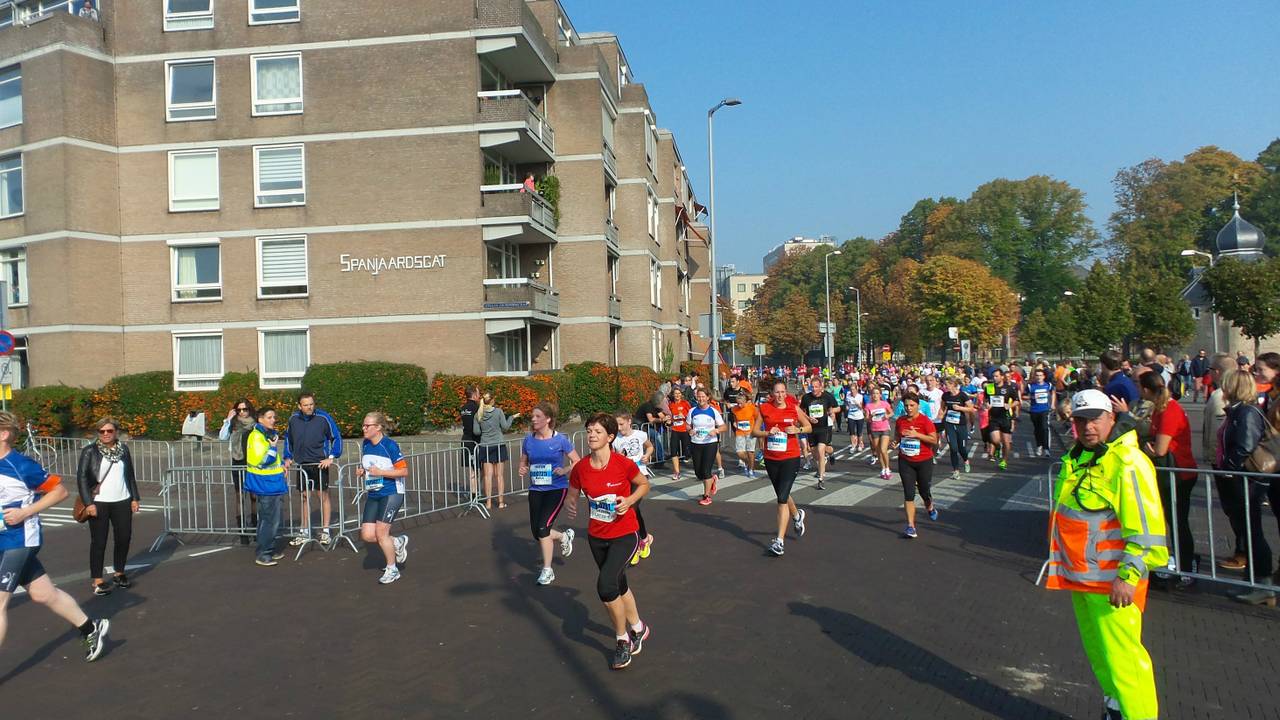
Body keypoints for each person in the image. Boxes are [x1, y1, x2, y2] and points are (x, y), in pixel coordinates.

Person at [1046, 389, 1168, 720]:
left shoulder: (1127, 463)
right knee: (1102, 656)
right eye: (1080, 420)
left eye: (1095, 419)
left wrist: (1128, 576)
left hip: (1113, 584)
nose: (1087, 427)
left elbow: (1146, 529)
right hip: (1083, 579)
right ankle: (1116, 708)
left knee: (1125, 663)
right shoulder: (1081, 457)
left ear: (1111, 418)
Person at [0, 412, 110, 662]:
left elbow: (59, 492)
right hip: (3, 540)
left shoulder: (21, 465)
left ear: (4, 434)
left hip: (20, 540)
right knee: (43, 594)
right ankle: (91, 628)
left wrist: (25, 512)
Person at [566, 413, 651, 670]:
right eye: (589, 431)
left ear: (610, 437)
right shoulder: (581, 467)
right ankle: (639, 628)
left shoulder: (622, 464)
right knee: (619, 584)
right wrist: (571, 503)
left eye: (598, 432)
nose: (591, 435)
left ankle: (622, 639)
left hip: (625, 534)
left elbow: (643, 484)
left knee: (605, 586)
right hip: (597, 536)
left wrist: (630, 501)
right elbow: (573, 492)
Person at [1219, 369, 1279, 605]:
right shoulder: (1239, 410)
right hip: (1243, 477)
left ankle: (1263, 584)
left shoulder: (1246, 412)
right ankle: (1254, 581)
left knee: (1253, 530)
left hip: (1249, 478)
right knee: (1248, 529)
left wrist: (1229, 468)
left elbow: (1245, 445)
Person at [1138, 371, 1197, 587]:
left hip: (1179, 472)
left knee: (1178, 522)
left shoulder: (1170, 410)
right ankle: (1179, 564)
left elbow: (1160, 449)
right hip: (1171, 472)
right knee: (1172, 521)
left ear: (1146, 390)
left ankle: (1187, 568)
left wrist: (1148, 448)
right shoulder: (1160, 408)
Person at [77, 418, 141, 596]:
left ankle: (119, 572)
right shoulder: (90, 451)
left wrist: (135, 498)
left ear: (116, 432)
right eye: (102, 431)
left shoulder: (123, 450)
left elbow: (130, 475)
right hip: (99, 502)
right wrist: (89, 503)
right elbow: (82, 478)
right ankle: (97, 579)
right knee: (99, 541)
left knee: (124, 537)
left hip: (122, 500)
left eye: (109, 431)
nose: (105, 434)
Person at [518, 402, 579, 586]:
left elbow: (577, 461)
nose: (533, 419)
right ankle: (563, 536)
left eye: (538, 416)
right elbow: (523, 462)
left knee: (543, 528)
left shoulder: (560, 440)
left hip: (556, 489)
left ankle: (547, 570)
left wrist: (565, 469)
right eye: (533, 416)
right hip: (536, 490)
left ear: (548, 419)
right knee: (537, 532)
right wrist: (522, 468)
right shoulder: (528, 440)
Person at [752, 380, 813, 556]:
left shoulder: (793, 408)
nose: (780, 395)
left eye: (783, 392)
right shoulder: (765, 408)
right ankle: (797, 516)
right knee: (782, 493)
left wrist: (797, 430)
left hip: (790, 458)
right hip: (771, 458)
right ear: (772, 393)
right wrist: (767, 432)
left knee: (781, 499)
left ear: (786, 393)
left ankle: (779, 542)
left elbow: (809, 427)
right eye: (777, 392)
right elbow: (754, 431)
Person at [1201, 354, 1247, 571]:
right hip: (1222, 461)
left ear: (1217, 371)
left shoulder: (1221, 396)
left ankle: (1243, 552)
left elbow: (1219, 433)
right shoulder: (1220, 394)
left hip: (1224, 462)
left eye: (1211, 370)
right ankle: (1242, 550)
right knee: (1234, 509)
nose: (1209, 373)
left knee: (1236, 509)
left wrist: (1215, 459)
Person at [356, 412, 410, 585]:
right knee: (367, 535)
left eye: (367, 426)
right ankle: (397, 542)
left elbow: (404, 471)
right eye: (363, 425)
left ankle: (392, 569)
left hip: (391, 493)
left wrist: (381, 472)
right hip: (374, 493)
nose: (364, 428)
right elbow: (370, 466)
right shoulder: (365, 444)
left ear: (378, 427)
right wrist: (362, 471)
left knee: (381, 533)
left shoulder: (389, 445)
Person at [283, 393, 343, 547]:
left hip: (319, 463)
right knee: (304, 497)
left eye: (311, 404)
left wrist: (331, 457)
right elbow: (289, 439)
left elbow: (336, 437)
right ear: (299, 406)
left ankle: (326, 531)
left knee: (322, 496)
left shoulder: (323, 417)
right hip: (302, 464)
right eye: (306, 405)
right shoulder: (293, 419)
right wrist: (288, 457)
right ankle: (304, 531)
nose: (309, 407)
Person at [245, 409, 288, 567]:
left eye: (274, 417)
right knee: (268, 520)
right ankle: (264, 553)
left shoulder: (266, 435)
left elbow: (273, 460)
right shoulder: (257, 436)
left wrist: (281, 465)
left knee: (271, 519)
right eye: (269, 417)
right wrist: (273, 448)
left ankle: (269, 549)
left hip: (272, 482)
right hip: (265, 484)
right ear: (260, 419)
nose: (273, 420)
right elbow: (262, 460)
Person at [612, 412, 655, 565]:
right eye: (616, 425)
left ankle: (638, 544)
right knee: (631, 510)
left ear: (629, 421)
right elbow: (614, 457)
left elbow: (650, 446)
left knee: (631, 508)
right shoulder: (615, 439)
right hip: (624, 477)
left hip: (640, 475)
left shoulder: (640, 435)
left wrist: (647, 455)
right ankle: (643, 537)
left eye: (621, 424)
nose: (619, 428)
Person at [894, 394, 939, 539]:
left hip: (924, 461)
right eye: (906, 405)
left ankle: (930, 507)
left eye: (912, 405)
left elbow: (934, 440)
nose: (909, 408)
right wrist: (895, 442)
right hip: (905, 461)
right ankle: (911, 526)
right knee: (909, 493)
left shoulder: (925, 421)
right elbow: (897, 436)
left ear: (918, 406)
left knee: (924, 491)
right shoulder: (900, 420)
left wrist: (917, 434)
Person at [219, 399, 257, 539]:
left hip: (252, 461)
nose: (242, 412)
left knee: (254, 495)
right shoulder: (233, 423)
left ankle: (255, 525)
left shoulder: (255, 424)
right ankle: (242, 530)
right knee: (240, 495)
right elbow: (222, 437)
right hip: (237, 461)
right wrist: (228, 420)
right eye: (239, 410)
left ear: (249, 409)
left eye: (245, 409)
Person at [474, 390, 518, 508]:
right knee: (499, 475)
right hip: (498, 444)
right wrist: (511, 417)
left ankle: (488, 503)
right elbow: (505, 427)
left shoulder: (478, 414)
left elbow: (476, 431)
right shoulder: (498, 412)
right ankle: (501, 502)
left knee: (487, 476)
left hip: (485, 445)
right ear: (492, 400)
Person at [688, 387, 727, 506]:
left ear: (708, 397)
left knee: (706, 471)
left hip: (710, 443)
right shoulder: (692, 411)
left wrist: (716, 430)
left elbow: (724, 427)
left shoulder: (713, 411)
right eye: (699, 396)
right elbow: (687, 425)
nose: (701, 399)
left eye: (703, 396)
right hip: (696, 443)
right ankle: (712, 479)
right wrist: (690, 430)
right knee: (698, 473)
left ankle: (706, 496)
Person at [799, 378, 839, 490]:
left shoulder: (827, 396)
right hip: (812, 429)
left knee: (821, 451)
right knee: (815, 452)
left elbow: (837, 408)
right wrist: (808, 418)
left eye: (816, 387)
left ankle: (821, 479)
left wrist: (831, 412)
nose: (814, 389)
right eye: (812, 387)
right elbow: (801, 411)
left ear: (821, 387)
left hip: (824, 428)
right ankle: (831, 453)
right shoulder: (806, 398)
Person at [939, 376, 975, 479]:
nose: (945, 386)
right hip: (949, 424)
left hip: (961, 424)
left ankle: (966, 460)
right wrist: (940, 415)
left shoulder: (962, 395)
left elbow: (971, 409)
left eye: (947, 385)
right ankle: (956, 470)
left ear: (953, 385)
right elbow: (942, 407)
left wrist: (960, 408)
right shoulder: (945, 395)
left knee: (962, 448)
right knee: (953, 448)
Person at [984, 369, 1019, 470]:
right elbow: (985, 400)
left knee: (1006, 441)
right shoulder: (989, 387)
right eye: (993, 376)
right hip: (993, 417)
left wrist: (1010, 405)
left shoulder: (1009, 388)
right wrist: (986, 405)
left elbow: (1017, 401)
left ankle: (1004, 461)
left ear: (1002, 377)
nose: (994, 378)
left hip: (1005, 417)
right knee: (995, 439)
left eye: (996, 376)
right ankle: (998, 447)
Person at [459, 385, 482, 506]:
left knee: (472, 469)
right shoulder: (476, 408)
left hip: (465, 440)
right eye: (478, 393)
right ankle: (476, 494)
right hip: (475, 441)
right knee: (480, 467)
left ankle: (474, 493)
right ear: (473, 395)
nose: (479, 396)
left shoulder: (463, 408)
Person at [864, 386, 893, 479]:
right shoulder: (868, 406)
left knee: (883, 450)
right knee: (878, 451)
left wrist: (887, 416)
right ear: (871, 395)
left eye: (877, 393)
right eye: (873, 394)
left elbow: (891, 413)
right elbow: (866, 419)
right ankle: (883, 468)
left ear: (880, 395)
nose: (875, 395)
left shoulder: (884, 404)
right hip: (874, 429)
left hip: (884, 428)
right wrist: (870, 417)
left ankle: (887, 468)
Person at [1026, 367, 1056, 457]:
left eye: (1040, 375)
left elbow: (1053, 393)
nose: (1039, 377)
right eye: (1037, 375)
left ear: (1044, 376)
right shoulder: (1031, 386)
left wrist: (1052, 404)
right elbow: (1023, 396)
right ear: (1035, 377)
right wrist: (1031, 397)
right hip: (1034, 410)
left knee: (1044, 428)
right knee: (1037, 429)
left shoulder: (1048, 385)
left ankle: (1046, 449)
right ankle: (1039, 445)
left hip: (1044, 409)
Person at [729, 392, 758, 478]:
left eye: (741, 403)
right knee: (740, 452)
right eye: (738, 403)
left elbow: (758, 419)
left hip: (750, 432)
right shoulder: (734, 409)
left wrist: (756, 429)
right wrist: (734, 422)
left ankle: (751, 470)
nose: (739, 405)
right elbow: (734, 417)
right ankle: (749, 463)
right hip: (740, 432)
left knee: (750, 451)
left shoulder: (752, 408)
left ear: (745, 401)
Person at [666, 388, 692, 481]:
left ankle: (698, 467)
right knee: (673, 451)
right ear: (673, 395)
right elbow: (670, 416)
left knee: (687, 451)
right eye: (675, 393)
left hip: (684, 430)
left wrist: (684, 416)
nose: (677, 395)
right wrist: (669, 421)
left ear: (681, 395)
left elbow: (691, 415)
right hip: (675, 430)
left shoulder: (685, 403)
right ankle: (677, 472)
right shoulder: (671, 405)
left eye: (679, 393)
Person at [845, 382, 866, 456]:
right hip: (851, 415)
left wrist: (857, 404)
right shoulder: (848, 396)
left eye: (853, 389)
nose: (852, 391)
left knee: (859, 432)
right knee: (852, 432)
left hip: (859, 416)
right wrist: (847, 407)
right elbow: (847, 404)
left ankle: (860, 445)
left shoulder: (860, 396)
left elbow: (861, 407)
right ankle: (853, 445)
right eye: (851, 389)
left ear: (857, 389)